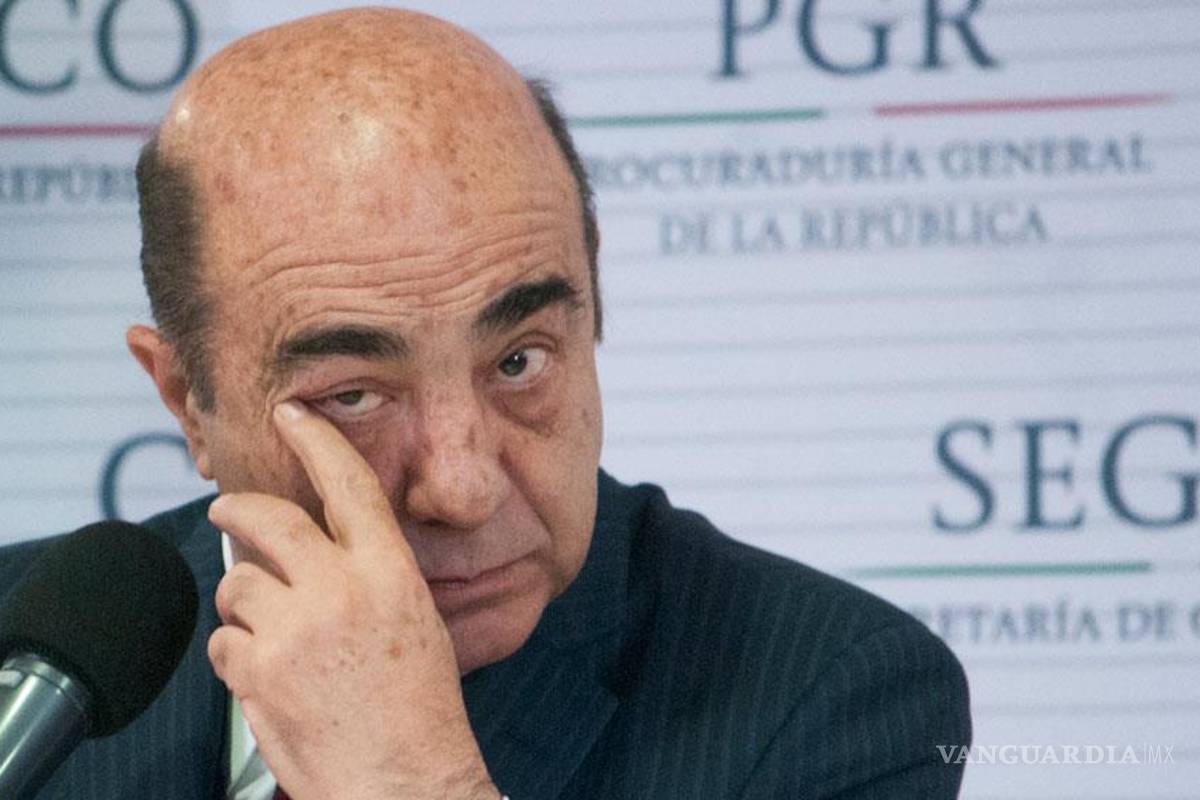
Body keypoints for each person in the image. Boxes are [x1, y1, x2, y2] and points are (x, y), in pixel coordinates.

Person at [0, 7, 970, 799]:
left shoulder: (827, 697)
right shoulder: (27, 668)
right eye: (353, 395)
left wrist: (415, 785)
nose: (462, 488)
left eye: (518, 362)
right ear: (186, 400)